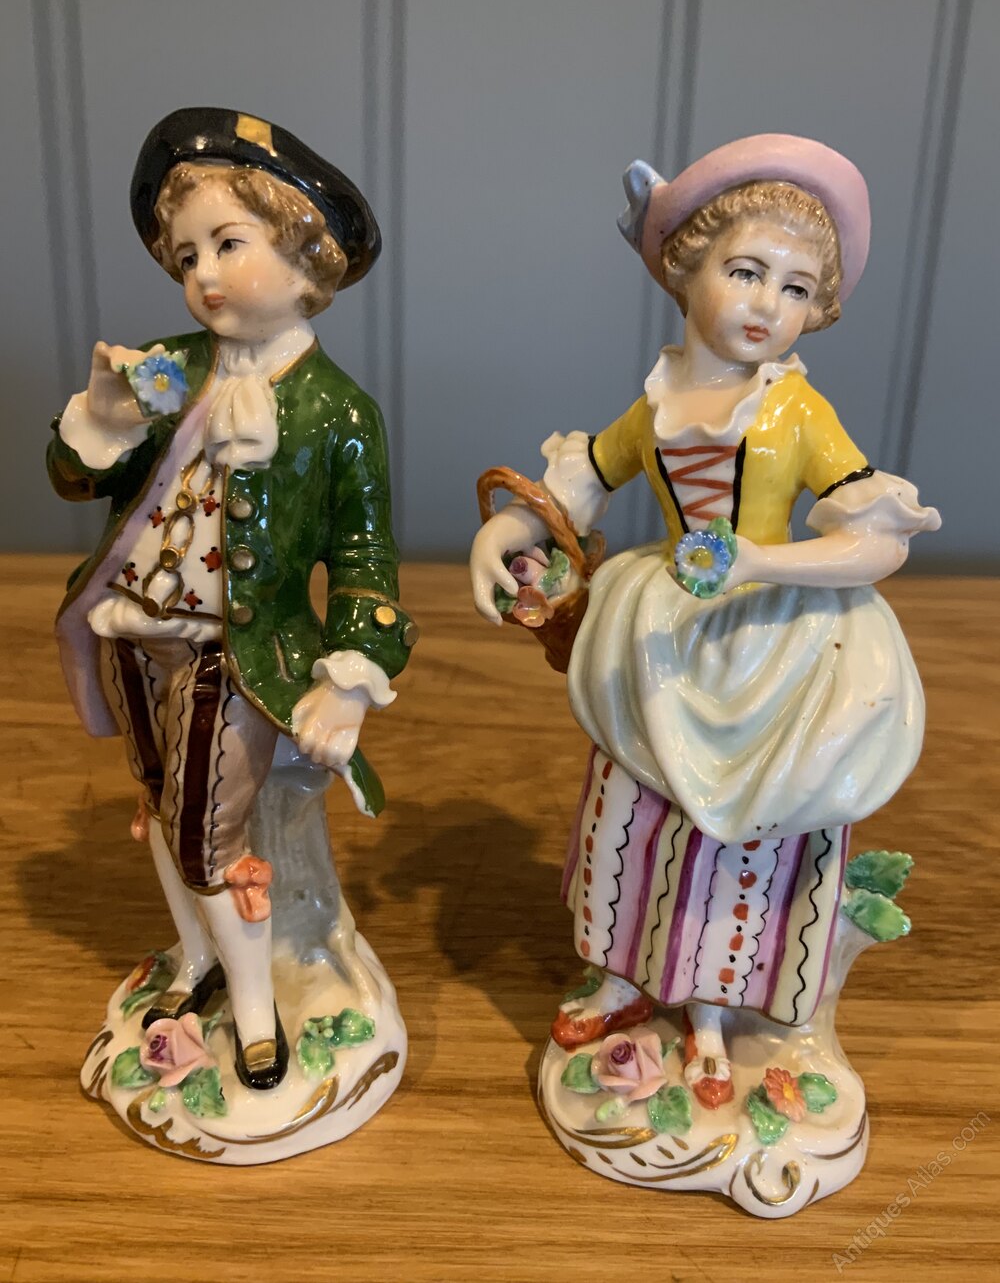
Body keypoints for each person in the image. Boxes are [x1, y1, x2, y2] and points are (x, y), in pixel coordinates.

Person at [471, 134, 939, 1110]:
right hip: (656, 637)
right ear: (686, 270)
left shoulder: (795, 412)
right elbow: (583, 480)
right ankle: (622, 975)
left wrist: (758, 562)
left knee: (740, 837)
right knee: (632, 812)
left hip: (768, 643)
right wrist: (506, 532)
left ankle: (717, 1014)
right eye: (746, 271)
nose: (767, 303)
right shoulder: (656, 405)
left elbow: (872, 539)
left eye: (795, 287)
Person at [48, 108, 415, 1090]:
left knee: (204, 835)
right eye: (187, 256)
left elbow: (366, 560)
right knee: (157, 802)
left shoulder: (338, 412)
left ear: (306, 255)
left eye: (228, 243)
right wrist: (103, 419)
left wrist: (350, 679)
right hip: (132, 629)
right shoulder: (170, 367)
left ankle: (255, 1012)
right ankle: (198, 961)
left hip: (236, 654)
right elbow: (75, 477)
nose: (203, 274)